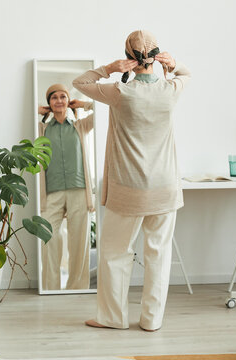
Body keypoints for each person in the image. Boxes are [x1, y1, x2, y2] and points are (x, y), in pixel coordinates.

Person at [72, 30, 190, 331]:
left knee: (114, 253)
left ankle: (112, 318)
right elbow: (186, 73)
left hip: (128, 189)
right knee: (158, 255)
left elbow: (80, 83)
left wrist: (110, 68)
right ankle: (152, 321)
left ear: (128, 58)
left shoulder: (118, 92)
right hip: (164, 189)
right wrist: (172, 65)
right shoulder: (170, 88)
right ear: (156, 56)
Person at [38, 84, 94, 290]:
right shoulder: (41, 129)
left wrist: (85, 103)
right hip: (51, 191)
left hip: (78, 189)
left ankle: (76, 288)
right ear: (49, 103)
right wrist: (38, 110)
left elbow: (106, 110)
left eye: (63, 97)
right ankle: (51, 288)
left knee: (79, 241)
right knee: (49, 238)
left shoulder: (80, 126)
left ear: (69, 101)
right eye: (54, 98)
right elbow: (22, 116)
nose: (59, 100)